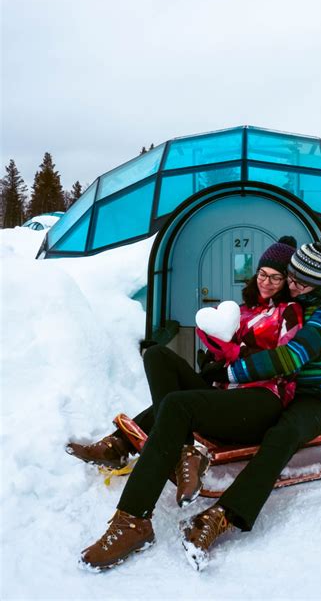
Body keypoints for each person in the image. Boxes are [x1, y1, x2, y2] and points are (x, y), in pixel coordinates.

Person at [75, 238, 303, 569]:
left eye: (275, 277)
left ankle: (133, 519)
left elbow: (286, 361)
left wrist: (235, 355)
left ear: (287, 283)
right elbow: (222, 353)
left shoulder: (290, 312)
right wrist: (213, 351)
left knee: (177, 407)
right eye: (262, 274)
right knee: (157, 356)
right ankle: (184, 454)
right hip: (228, 392)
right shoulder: (243, 310)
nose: (266, 282)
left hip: (261, 401)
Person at [179, 233, 321, 571]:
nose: (292, 285)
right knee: (201, 389)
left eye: (298, 281)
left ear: (317, 281)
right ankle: (133, 436)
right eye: (292, 278)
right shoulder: (303, 299)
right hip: (285, 388)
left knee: (283, 436)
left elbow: (291, 357)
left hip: (315, 398)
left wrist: (235, 372)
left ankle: (224, 515)